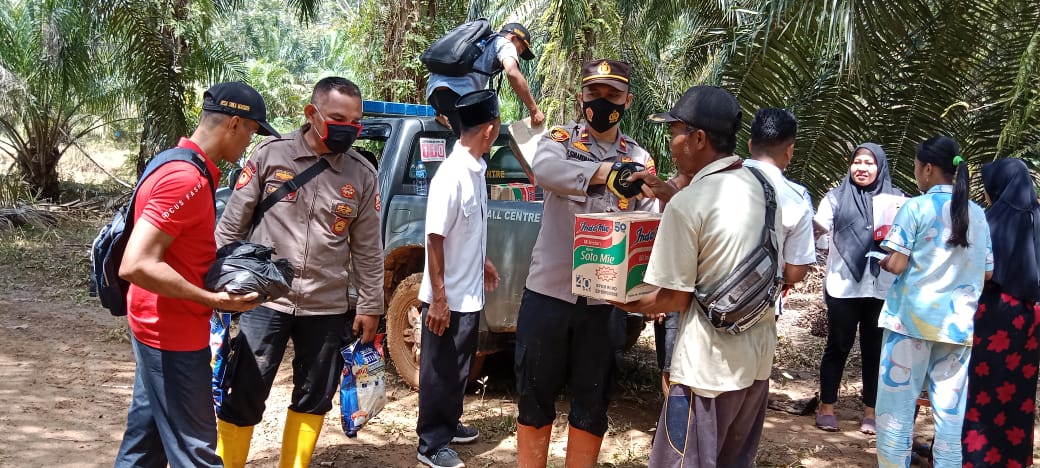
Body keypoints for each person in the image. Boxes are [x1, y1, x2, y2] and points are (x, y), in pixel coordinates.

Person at [212, 77, 385, 468]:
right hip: (263, 301)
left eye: (356, 121)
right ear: (312, 114)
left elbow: (369, 250)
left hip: (326, 306)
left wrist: (371, 304)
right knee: (245, 390)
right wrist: (217, 290)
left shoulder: (361, 173)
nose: (350, 128)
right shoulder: (270, 155)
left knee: (314, 396)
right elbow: (230, 228)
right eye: (339, 118)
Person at [614, 85, 784, 467]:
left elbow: (673, 299)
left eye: (675, 131)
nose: (671, 142)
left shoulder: (690, 203)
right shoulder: (763, 186)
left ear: (699, 138)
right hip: (755, 363)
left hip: (706, 372)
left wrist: (616, 298)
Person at [114, 82, 278, 467]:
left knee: (145, 447)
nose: (250, 144)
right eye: (252, 132)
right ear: (234, 124)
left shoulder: (182, 163)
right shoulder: (184, 179)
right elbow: (136, 264)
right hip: (171, 332)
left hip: (157, 324)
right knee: (197, 453)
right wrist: (212, 299)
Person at [514, 59, 657, 468]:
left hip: (606, 305)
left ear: (627, 100)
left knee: (592, 400)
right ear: (582, 97)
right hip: (549, 293)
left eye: (613, 95)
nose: (602, 102)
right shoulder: (559, 141)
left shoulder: (640, 156)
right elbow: (545, 171)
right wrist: (605, 173)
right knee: (534, 395)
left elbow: (650, 218)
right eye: (594, 94)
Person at [875, 135, 992, 467]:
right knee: (950, 419)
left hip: (910, 322)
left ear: (927, 168)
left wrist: (886, 261)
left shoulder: (916, 207)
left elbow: (896, 263)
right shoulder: (978, 215)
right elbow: (986, 273)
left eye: (916, 166)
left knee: (895, 415)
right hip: (957, 328)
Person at [415, 89, 502, 468]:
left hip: (469, 293)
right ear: (489, 129)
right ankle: (431, 444)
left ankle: (449, 424)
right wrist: (438, 298)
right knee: (439, 371)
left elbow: (465, 228)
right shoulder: (450, 175)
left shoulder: (477, 170)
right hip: (446, 297)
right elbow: (434, 238)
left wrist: (482, 261)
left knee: (458, 368)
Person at [813, 142, 902, 434]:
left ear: (880, 167)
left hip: (881, 288)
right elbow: (817, 229)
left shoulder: (897, 200)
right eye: (857, 162)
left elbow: (907, 238)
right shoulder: (835, 198)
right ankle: (826, 407)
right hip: (843, 286)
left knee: (875, 350)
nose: (862, 168)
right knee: (837, 345)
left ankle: (871, 412)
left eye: (869, 163)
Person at [961, 157, 1040, 467]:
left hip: (991, 313)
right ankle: (1014, 458)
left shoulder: (986, 220)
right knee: (1018, 390)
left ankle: (976, 456)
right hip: (1029, 318)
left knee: (981, 386)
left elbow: (976, 267)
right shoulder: (1037, 218)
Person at [744, 107, 815, 299]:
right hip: (758, 308)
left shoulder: (716, 181)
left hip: (705, 303)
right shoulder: (797, 199)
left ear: (750, 145)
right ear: (789, 151)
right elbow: (795, 272)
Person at [426, 22, 545, 135]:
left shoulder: (480, 42)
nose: (518, 53)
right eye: (521, 48)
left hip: (435, 95)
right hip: (458, 98)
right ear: (513, 38)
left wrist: (440, 111)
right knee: (482, 144)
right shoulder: (505, 43)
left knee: (470, 142)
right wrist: (534, 109)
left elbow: (447, 74)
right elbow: (512, 72)